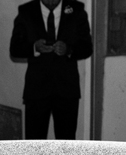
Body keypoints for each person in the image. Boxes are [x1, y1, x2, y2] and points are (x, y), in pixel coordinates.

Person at [9, 0, 92, 140]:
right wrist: (34, 48)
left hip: (67, 89)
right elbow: (15, 49)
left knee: (66, 143)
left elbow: (87, 48)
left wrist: (68, 49)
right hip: (36, 89)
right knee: (34, 143)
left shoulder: (76, 10)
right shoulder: (27, 11)